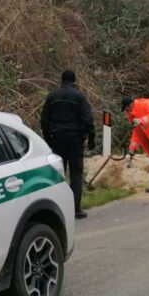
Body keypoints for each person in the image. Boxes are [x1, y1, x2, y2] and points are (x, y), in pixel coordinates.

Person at [40, 70, 95, 219]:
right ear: (74, 81)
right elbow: (88, 119)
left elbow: (44, 120)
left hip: (57, 138)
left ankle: (58, 209)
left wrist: (47, 139)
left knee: (59, 174)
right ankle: (76, 209)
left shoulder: (52, 96)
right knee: (76, 174)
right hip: (75, 139)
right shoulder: (79, 96)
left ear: (61, 80)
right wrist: (91, 138)